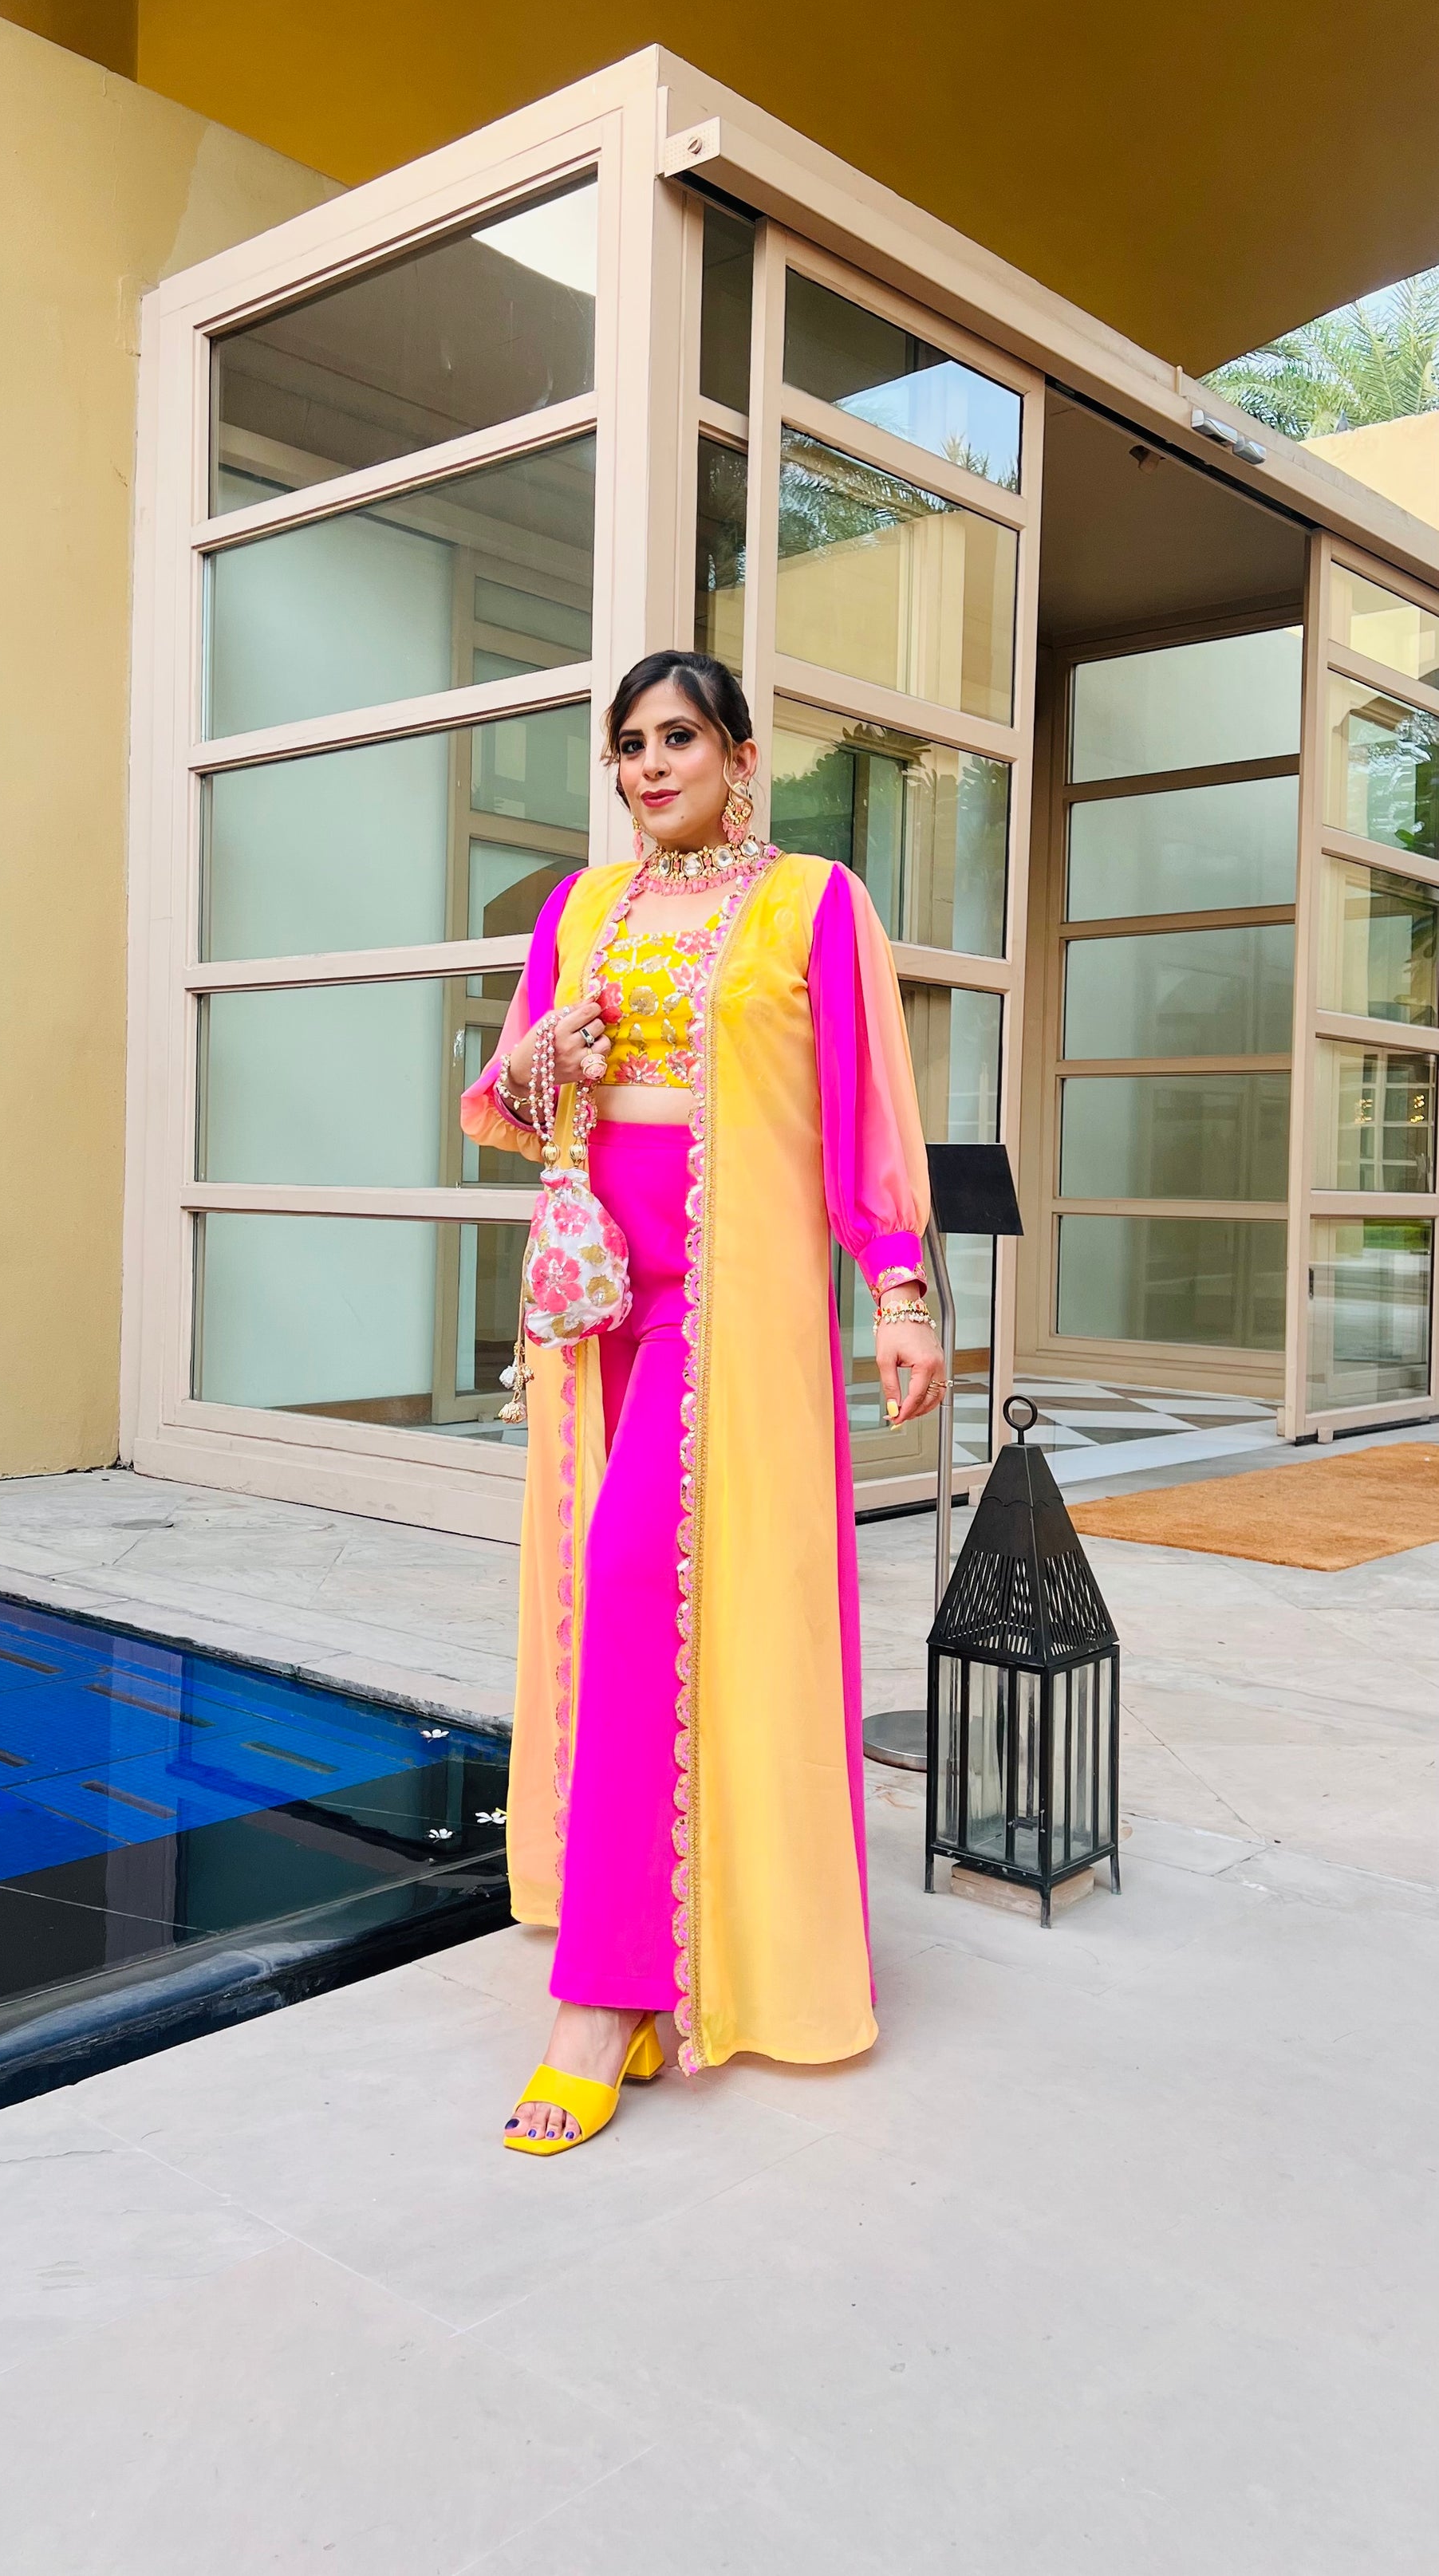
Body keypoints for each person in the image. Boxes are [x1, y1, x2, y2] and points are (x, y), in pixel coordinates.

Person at [460, 651, 944, 2154]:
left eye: (678, 737)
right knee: (616, 1615)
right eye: (628, 745)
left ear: (741, 755)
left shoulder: (812, 903)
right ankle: (650, 1937)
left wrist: (899, 1291)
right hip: (596, 1299)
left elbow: (864, 1109)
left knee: (641, 1584)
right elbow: (505, 1103)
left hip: (724, 1302)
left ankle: (604, 1999)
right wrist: (537, 1061)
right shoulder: (579, 908)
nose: (650, 765)